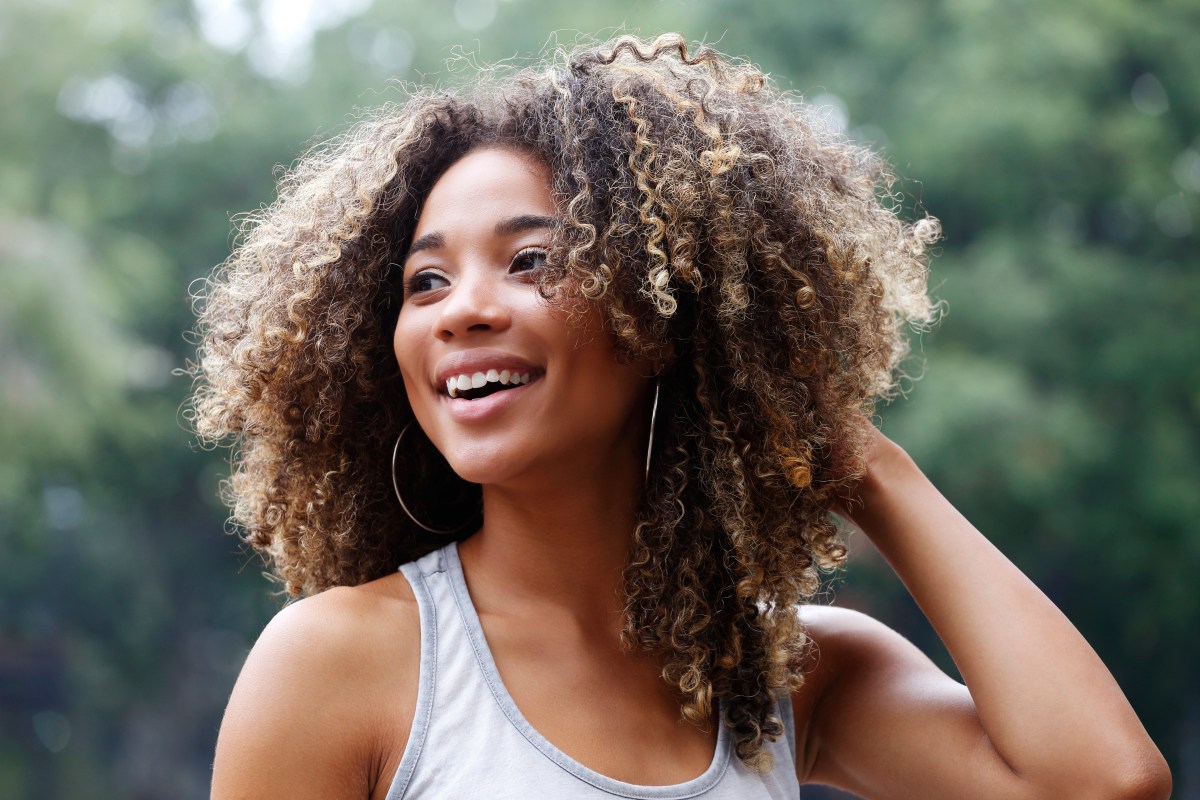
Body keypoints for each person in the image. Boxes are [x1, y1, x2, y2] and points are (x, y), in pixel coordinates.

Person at [192, 34, 1170, 799]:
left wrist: (872, 473)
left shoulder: (786, 674)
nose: (463, 310)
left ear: (660, 314)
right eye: (426, 280)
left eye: (533, 260)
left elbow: (1102, 779)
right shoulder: (338, 663)